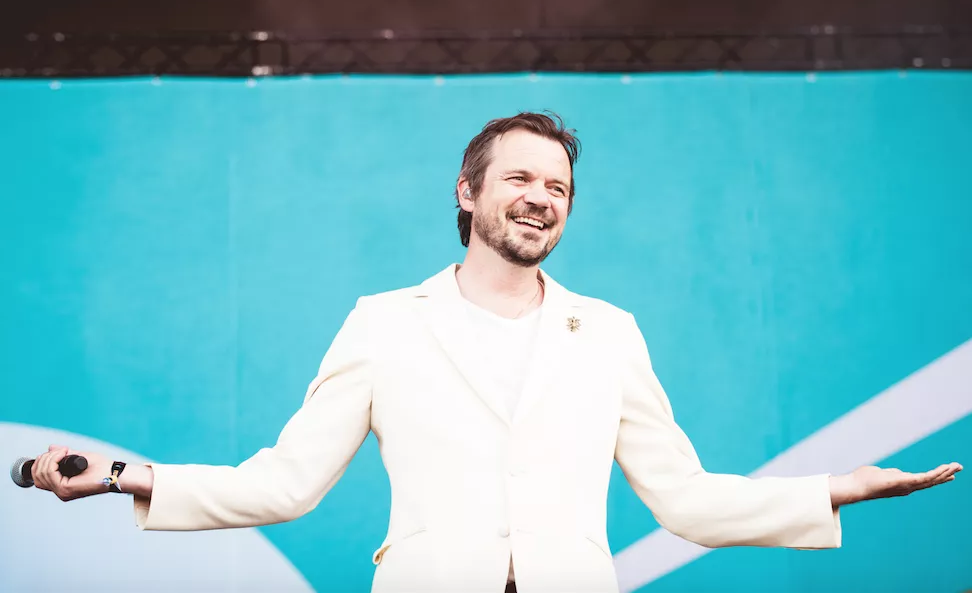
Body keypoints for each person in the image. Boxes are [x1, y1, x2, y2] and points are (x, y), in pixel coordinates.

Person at [30, 111, 961, 593]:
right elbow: (284, 484)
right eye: (520, 176)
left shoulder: (610, 331)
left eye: (559, 186)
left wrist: (836, 488)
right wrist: (119, 475)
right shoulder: (383, 322)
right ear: (468, 193)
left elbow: (684, 498)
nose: (542, 197)